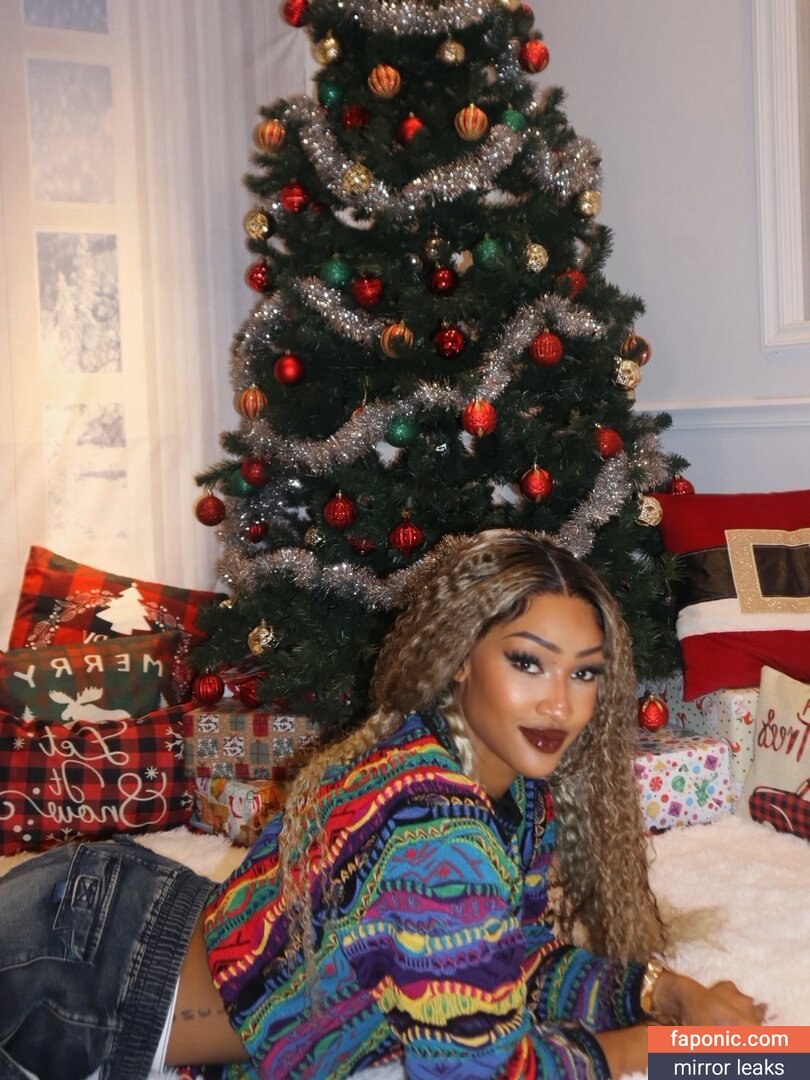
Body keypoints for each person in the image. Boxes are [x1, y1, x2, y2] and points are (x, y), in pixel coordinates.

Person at [0, 531, 765, 1080]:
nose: (560, 703)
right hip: (73, 977)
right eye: (528, 663)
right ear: (460, 658)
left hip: (122, 908)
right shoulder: (441, 836)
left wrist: (663, 991)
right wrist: (664, 1048)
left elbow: (503, 960)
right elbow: (481, 1068)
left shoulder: (505, 785)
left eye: (586, 673)